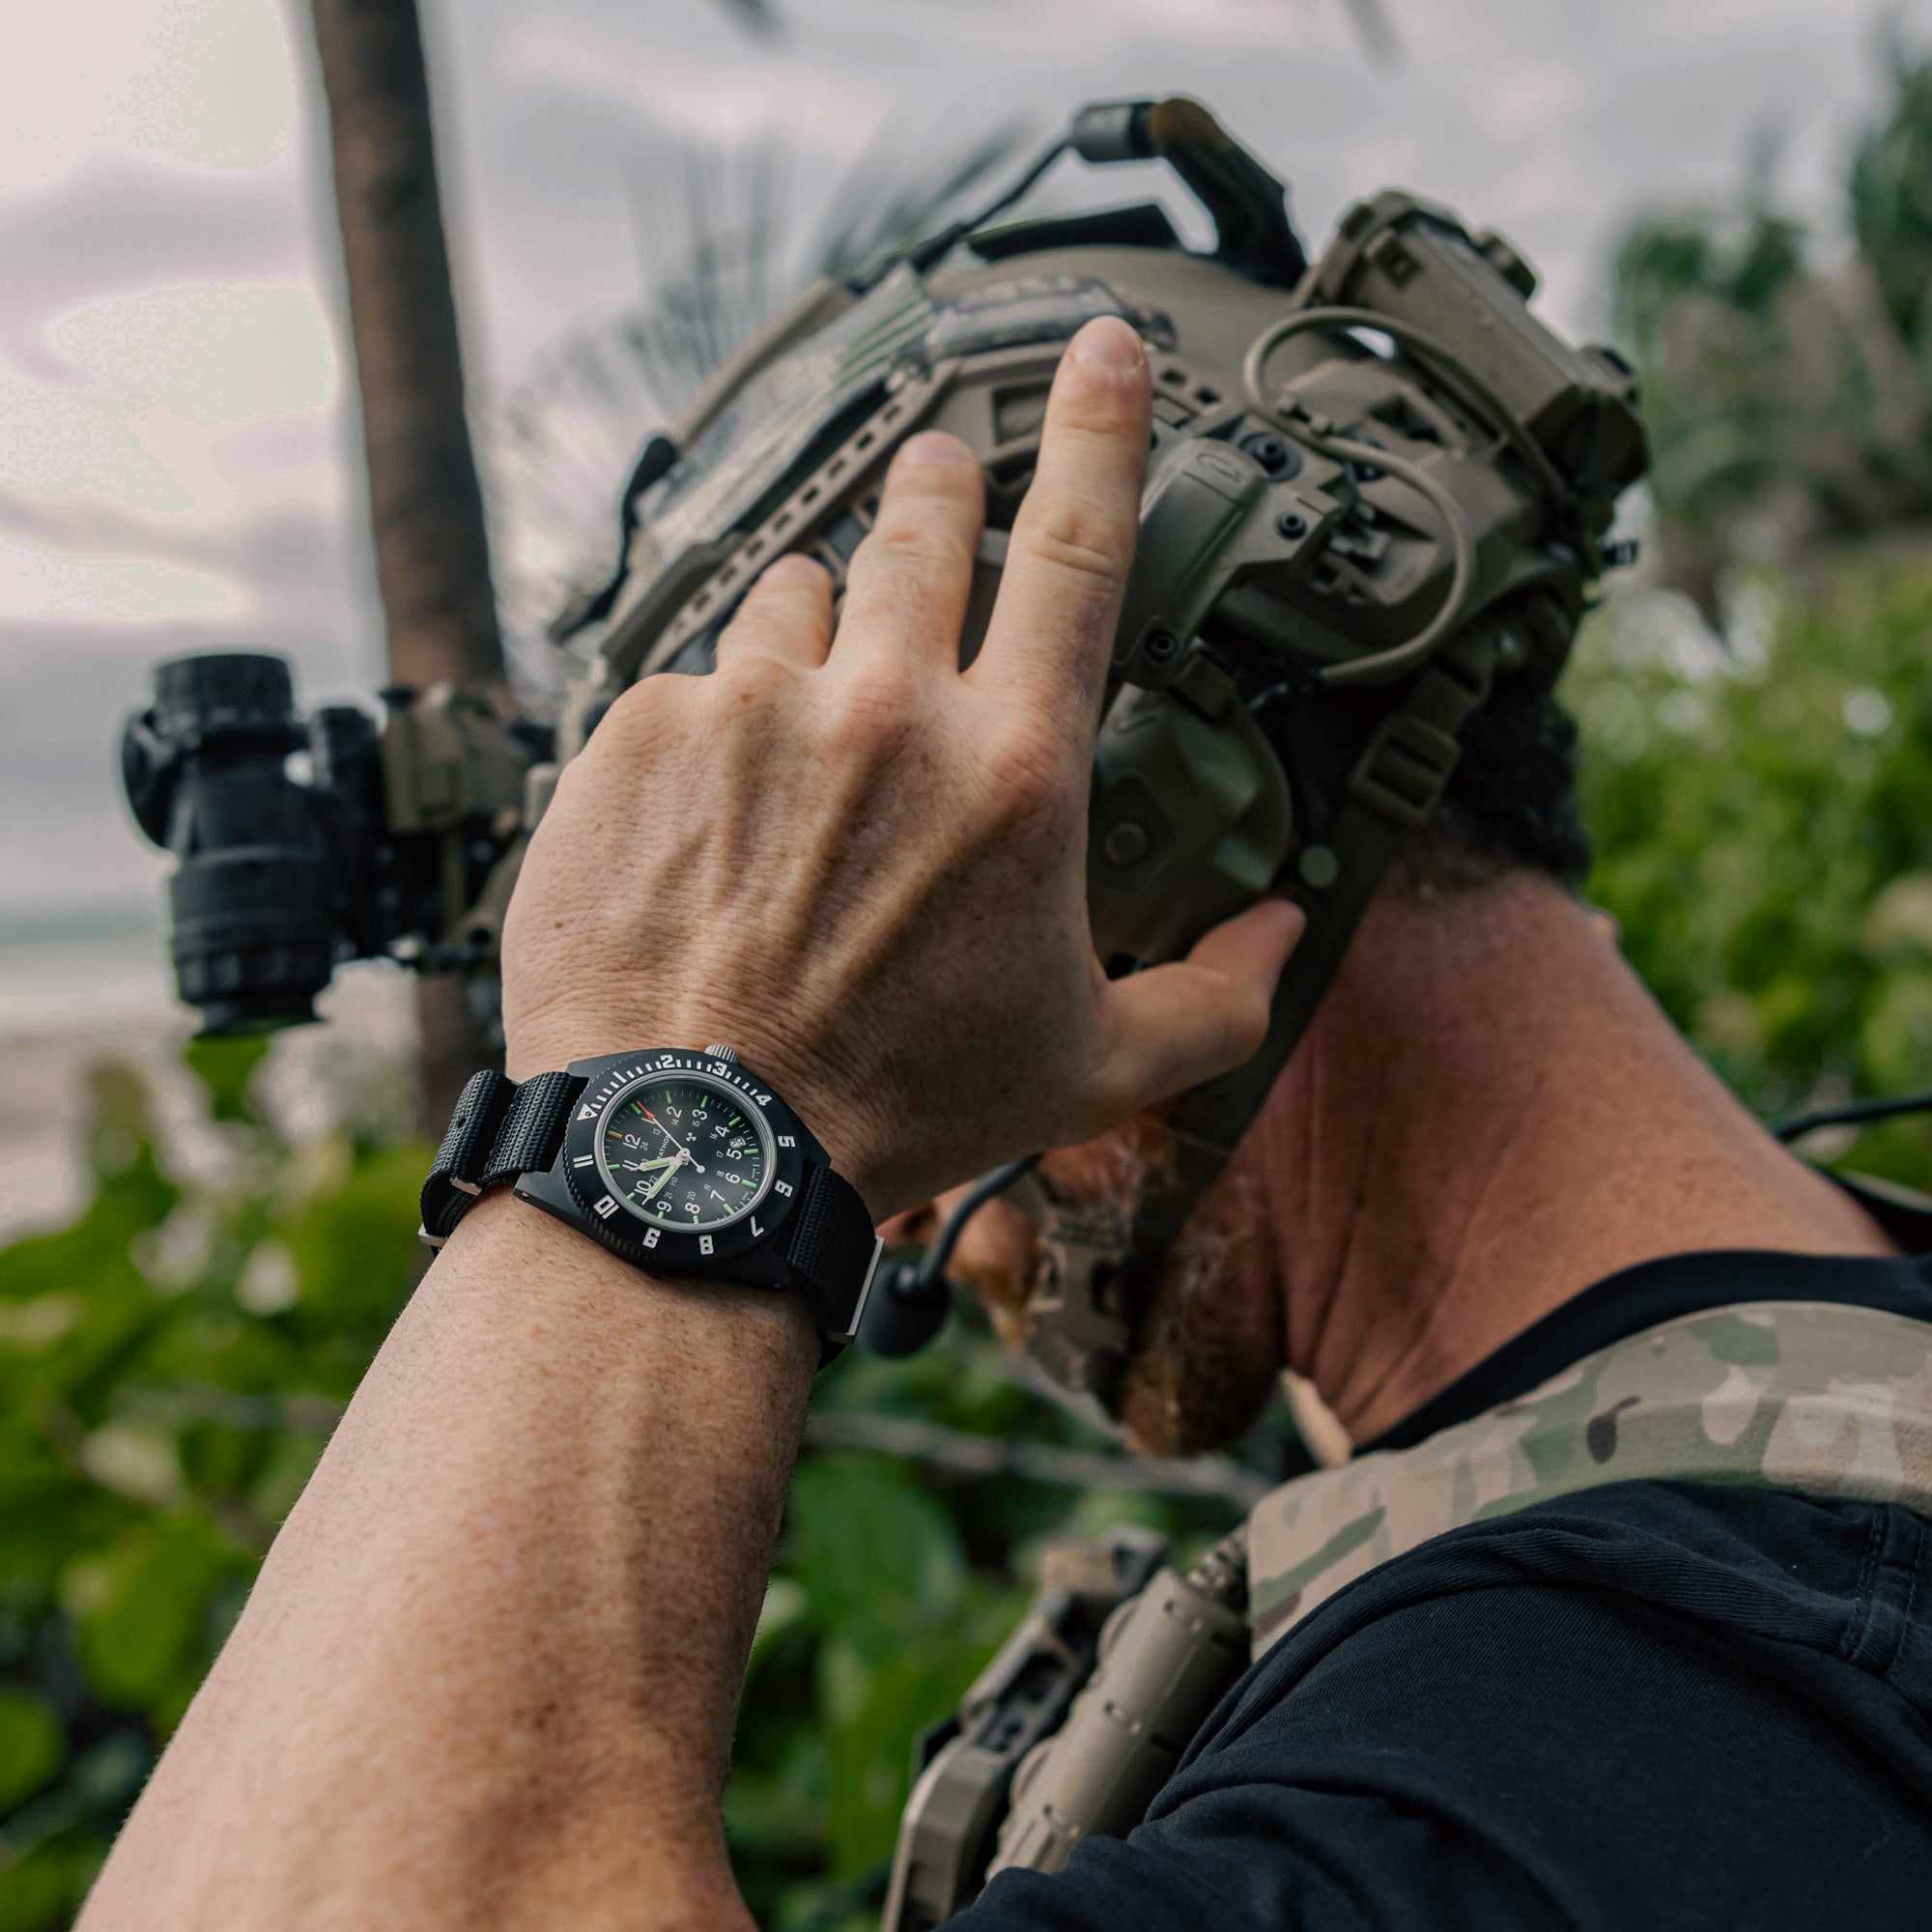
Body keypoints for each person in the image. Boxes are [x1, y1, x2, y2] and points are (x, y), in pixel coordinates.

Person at [78, 315, 1932, 1930]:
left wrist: (715, 1066)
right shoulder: (1764, 1508)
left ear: (1142, 819)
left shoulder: (1617, 1738)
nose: (895, 1228)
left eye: (879, 892)